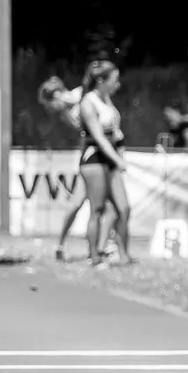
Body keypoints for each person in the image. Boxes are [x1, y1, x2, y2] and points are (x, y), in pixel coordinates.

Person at [38, 76, 118, 262]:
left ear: (57, 95)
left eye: (51, 105)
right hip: (91, 157)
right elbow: (84, 131)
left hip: (93, 156)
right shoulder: (66, 112)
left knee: (80, 202)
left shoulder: (82, 94)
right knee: (101, 205)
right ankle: (99, 247)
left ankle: (93, 246)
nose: (51, 110)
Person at [78, 61, 133, 268]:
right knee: (98, 209)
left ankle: (123, 255)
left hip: (110, 160)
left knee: (123, 208)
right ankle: (94, 256)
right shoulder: (88, 102)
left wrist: (120, 153)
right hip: (94, 159)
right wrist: (118, 159)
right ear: (101, 81)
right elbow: (99, 138)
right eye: (114, 80)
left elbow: (115, 132)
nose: (117, 84)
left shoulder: (106, 99)